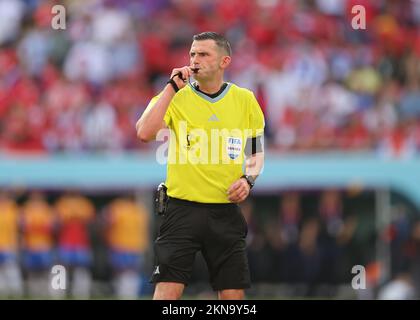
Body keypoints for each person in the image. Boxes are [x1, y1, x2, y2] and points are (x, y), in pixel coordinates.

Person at [136, 32, 265, 300]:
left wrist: (247, 180)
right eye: (192, 54)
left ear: (224, 61)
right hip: (181, 209)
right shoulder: (175, 95)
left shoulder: (244, 100)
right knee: (167, 292)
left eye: (204, 54)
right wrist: (171, 88)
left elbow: (255, 153)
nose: (195, 60)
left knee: (232, 295)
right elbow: (144, 132)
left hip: (225, 210)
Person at [104, 195, 150, 299]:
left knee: (121, 271)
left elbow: (108, 221)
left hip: (120, 244)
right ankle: (129, 294)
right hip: (136, 245)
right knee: (132, 271)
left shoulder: (118, 207)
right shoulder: (140, 210)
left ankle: (124, 293)